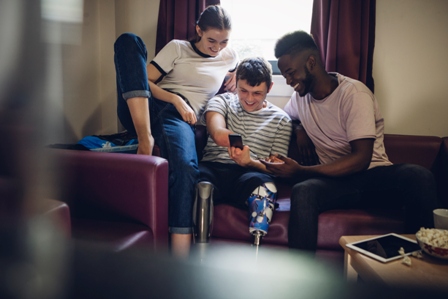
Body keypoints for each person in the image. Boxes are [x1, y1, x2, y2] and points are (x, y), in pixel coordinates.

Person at [261, 30, 438, 252]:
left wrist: (301, 171)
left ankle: (419, 267)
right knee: (304, 191)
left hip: (372, 177)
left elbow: (361, 159)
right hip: (337, 185)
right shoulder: (300, 98)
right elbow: (289, 117)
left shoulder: (353, 94)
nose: (288, 81)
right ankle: (301, 279)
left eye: (290, 73)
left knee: (419, 176)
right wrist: (299, 130)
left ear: (311, 62)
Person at [113, 5, 239, 258]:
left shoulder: (229, 57)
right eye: (211, 40)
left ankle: (179, 261)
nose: (217, 47)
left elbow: (239, 71)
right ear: (198, 31)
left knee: (185, 167)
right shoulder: (177, 48)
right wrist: (175, 100)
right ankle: (144, 136)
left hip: (179, 120)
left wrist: (237, 74)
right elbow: (144, 80)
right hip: (147, 105)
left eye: (224, 41)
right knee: (129, 41)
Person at [198, 57, 292, 245]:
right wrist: (234, 142)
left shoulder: (282, 120)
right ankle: (198, 251)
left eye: (257, 93)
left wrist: (250, 162)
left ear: (270, 88)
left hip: (250, 175)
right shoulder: (222, 101)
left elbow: (278, 168)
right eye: (243, 91)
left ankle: (255, 253)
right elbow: (216, 132)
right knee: (195, 182)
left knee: (266, 187)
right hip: (213, 168)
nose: (249, 99)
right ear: (237, 84)